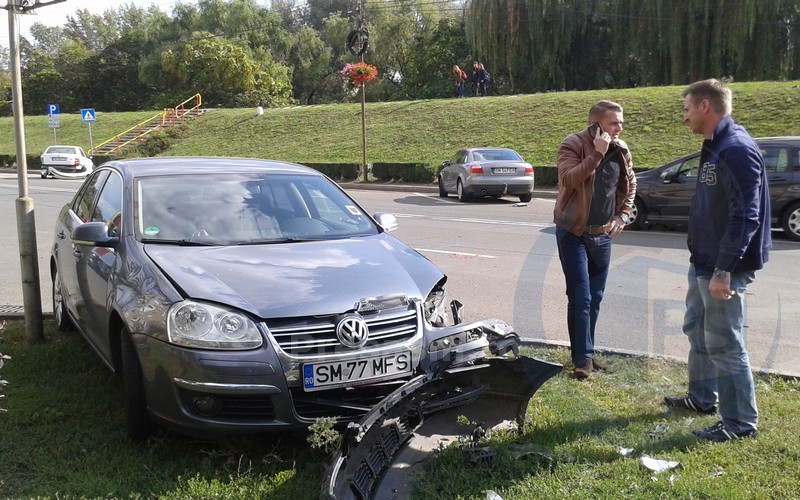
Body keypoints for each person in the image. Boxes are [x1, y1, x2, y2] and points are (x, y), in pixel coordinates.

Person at [664, 79, 771, 442]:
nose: (685, 117)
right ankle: (701, 398)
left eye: (687, 109)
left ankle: (740, 423)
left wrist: (724, 270)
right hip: (705, 260)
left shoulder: (736, 148)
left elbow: (746, 215)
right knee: (697, 330)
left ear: (706, 107)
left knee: (725, 342)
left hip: (724, 267)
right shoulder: (715, 145)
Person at [553, 100, 636, 379]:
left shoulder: (621, 149)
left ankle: (587, 351)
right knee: (581, 297)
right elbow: (568, 179)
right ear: (596, 123)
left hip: (603, 235)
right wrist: (596, 156)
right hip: (573, 233)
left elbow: (630, 184)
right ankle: (582, 359)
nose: (620, 127)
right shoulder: (573, 144)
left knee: (595, 298)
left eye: (621, 122)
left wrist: (622, 216)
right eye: (615, 122)